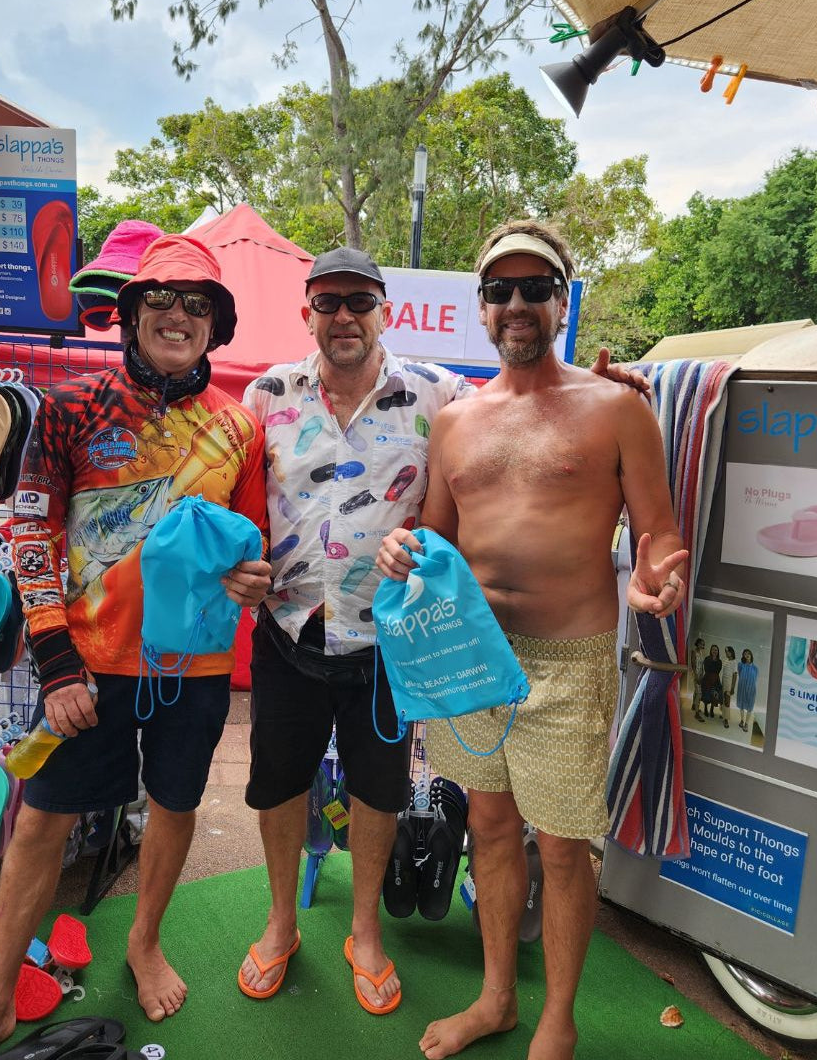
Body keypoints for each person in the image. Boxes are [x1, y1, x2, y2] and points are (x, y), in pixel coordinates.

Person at [236, 246, 645, 1016]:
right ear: (307, 315)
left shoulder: (440, 393)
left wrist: (606, 386)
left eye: (360, 301)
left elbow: (526, 403)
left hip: (394, 641)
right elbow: (229, 494)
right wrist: (235, 563)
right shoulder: (265, 394)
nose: (344, 316)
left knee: (378, 791)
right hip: (290, 627)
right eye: (328, 303)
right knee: (279, 786)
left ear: (385, 310)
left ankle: (365, 934)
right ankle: (281, 922)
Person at [0, 234, 272, 1060]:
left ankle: (144, 940)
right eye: (161, 299)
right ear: (129, 313)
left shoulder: (240, 428)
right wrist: (54, 664)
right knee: (43, 822)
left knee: (176, 806)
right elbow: (32, 534)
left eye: (198, 304)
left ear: (216, 326)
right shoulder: (71, 406)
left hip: (192, 667)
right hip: (83, 665)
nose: (178, 316)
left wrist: (253, 578)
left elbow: (254, 545)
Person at [376, 219, 687, 1060]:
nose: (517, 305)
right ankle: (497, 1000)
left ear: (562, 300)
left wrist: (657, 573)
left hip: (570, 659)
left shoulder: (616, 407)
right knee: (489, 824)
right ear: (482, 307)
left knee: (562, 843)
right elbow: (435, 538)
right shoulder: (456, 420)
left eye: (535, 289)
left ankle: (558, 1022)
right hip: (472, 657)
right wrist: (402, 548)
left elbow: (658, 532)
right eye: (500, 291)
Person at [736, 648, 759, 732]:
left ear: (751, 655)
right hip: (742, 688)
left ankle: (746, 723)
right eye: (745, 653)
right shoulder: (740, 665)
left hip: (751, 690)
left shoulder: (755, 668)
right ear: (743, 656)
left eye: (748, 653)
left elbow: (755, 679)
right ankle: (742, 720)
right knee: (741, 705)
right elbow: (740, 674)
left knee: (750, 707)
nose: (747, 654)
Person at [701, 643, 723, 721]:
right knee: (706, 694)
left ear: (718, 651)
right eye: (713, 649)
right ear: (711, 650)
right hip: (707, 678)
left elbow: (718, 670)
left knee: (714, 694)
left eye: (716, 650)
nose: (715, 651)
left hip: (716, 679)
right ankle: (706, 708)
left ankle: (712, 710)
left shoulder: (719, 661)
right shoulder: (707, 659)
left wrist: (713, 672)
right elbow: (706, 668)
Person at [688, 637, 706, 722]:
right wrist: (696, 676)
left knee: (696, 691)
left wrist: (702, 675)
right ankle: (696, 714)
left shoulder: (701, 652)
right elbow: (693, 665)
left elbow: (702, 665)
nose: (702, 645)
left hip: (700, 674)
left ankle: (693, 705)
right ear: (697, 643)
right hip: (696, 674)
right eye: (700, 643)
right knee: (699, 693)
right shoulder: (694, 652)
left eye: (703, 644)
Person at [721, 645, 738, 729]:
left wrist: (732, 688)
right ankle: (724, 715)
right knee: (723, 699)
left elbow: (735, 675)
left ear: (731, 652)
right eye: (726, 652)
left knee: (727, 701)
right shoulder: (725, 660)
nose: (727, 653)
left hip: (729, 683)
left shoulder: (734, 662)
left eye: (728, 651)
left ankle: (726, 719)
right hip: (723, 682)